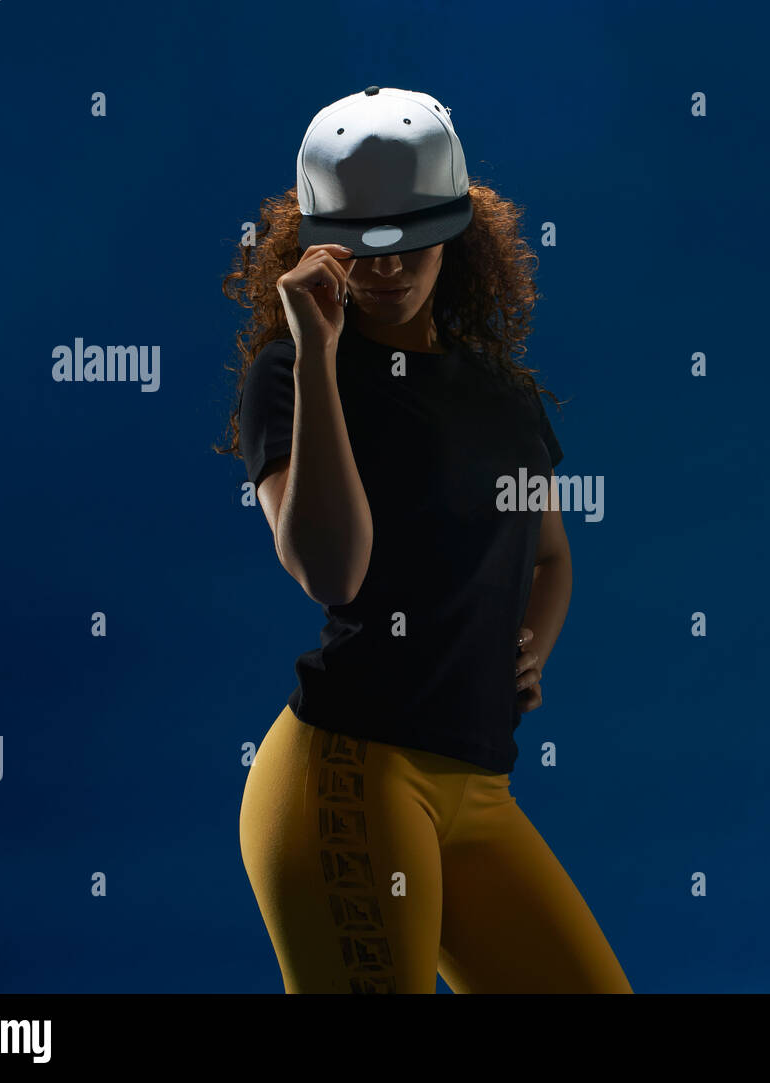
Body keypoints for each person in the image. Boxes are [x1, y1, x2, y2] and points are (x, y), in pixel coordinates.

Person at [218, 86, 632, 993]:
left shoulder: (503, 396)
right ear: (315, 242)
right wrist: (319, 355)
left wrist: (532, 645)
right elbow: (335, 572)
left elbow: (550, 555)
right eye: (363, 245)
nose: (389, 266)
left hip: (477, 786)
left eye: (413, 237)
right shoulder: (290, 375)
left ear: (459, 230)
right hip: (348, 775)